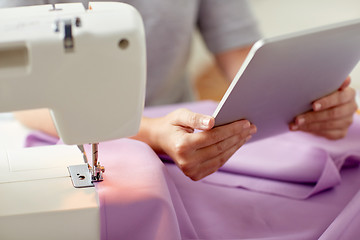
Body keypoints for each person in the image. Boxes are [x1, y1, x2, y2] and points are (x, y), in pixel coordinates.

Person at [9, 0, 358, 181]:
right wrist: (150, 133)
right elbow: (22, 95)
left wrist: (307, 101)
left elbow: (240, 53)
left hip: (184, 126)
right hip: (65, 128)